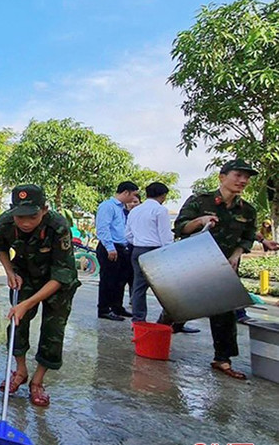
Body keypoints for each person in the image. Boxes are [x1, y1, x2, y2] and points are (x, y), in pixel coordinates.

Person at [173, 159, 259, 380]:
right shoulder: (200, 201)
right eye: (238, 175)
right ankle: (152, 340)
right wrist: (200, 221)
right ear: (222, 177)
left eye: (246, 177)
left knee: (225, 312)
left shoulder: (247, 210)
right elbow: (181, 227)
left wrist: (236, 254)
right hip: (194, 265)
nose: (243, 180)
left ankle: (223, 359)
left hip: (224, 268)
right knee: (175, 307)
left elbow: (248, 237)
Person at [0, 185, 79, 407]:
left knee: (53, 330)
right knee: (17, 322)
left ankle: (38, 381)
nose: (25, 223)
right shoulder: (5, 223)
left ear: (44, 209)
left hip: (57, 282)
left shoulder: (58, 226)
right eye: (19, 216)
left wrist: (28, 303)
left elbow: (61, 275)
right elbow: (0, 248)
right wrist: (10, 271)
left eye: (32, 216)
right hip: (26, 275)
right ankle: (20, 371)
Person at [125, 182, 178, 324]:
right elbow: (165, 236)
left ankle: (138, 320)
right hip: (155, 251)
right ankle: (170, 319)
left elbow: (128, 235)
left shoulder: (135, 210)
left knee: (139, 287)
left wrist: (139, 241)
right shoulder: (160, 210)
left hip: (137, 250)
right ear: (163, 195)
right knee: (167, 288)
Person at [95, 181, 139, 320]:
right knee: (108, 279)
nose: (133, 199)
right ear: (126, 192)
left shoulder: (121, 209)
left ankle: (117, 307)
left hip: (121, 247)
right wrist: (110, 247)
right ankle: (104, 309)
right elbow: (103, 228)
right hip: (111, 247)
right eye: (133, 195)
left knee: (120, 280)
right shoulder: (108, 206)